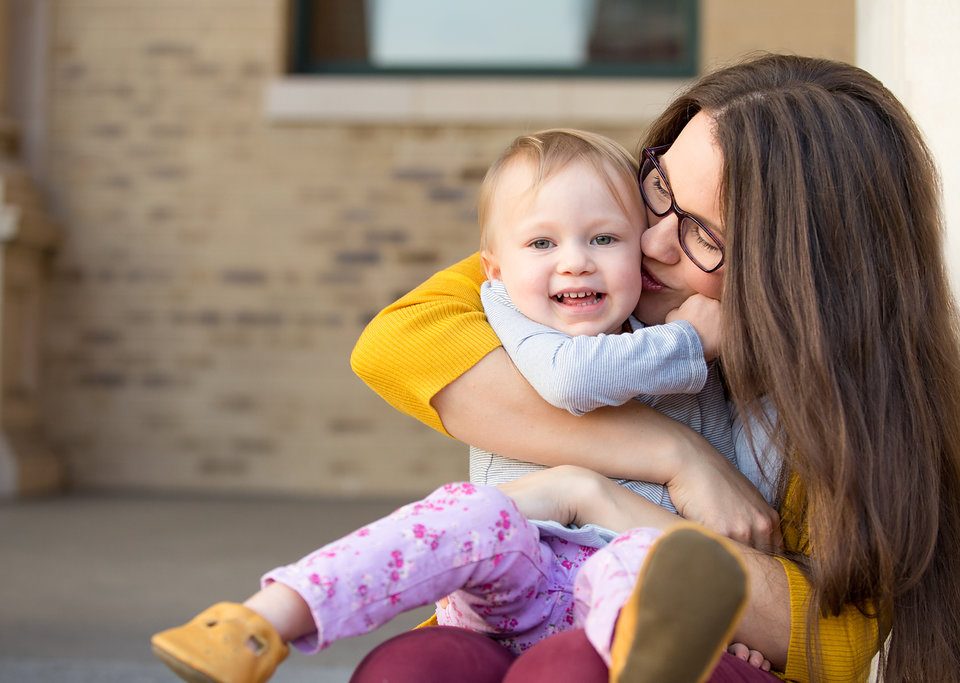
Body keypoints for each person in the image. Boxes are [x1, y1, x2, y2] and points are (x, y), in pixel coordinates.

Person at [350, 53, 960, 682]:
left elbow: (830, 638)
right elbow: (400, 342)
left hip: (684, 648)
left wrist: (597, 498)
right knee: (412, 667)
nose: (652, 240)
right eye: (661, 186)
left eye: (706, 235)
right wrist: (677, 455)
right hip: (527, 609)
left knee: (575, 669)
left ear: (802, 277)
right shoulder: (594, 255)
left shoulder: (860, 401)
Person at [150, 129, 769, 683]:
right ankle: (261, 621)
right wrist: (690, 341)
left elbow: (742, 500)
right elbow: (573, 380)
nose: (575, 260)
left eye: (605, 238)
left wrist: (735, 631)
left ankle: (653, 657)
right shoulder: (518, 316)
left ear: (638, 251)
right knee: (469, 514)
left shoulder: (658, 334)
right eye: (541, 242)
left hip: (608, 582)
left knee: (653, 564)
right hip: (521, 569)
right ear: (492, 270)